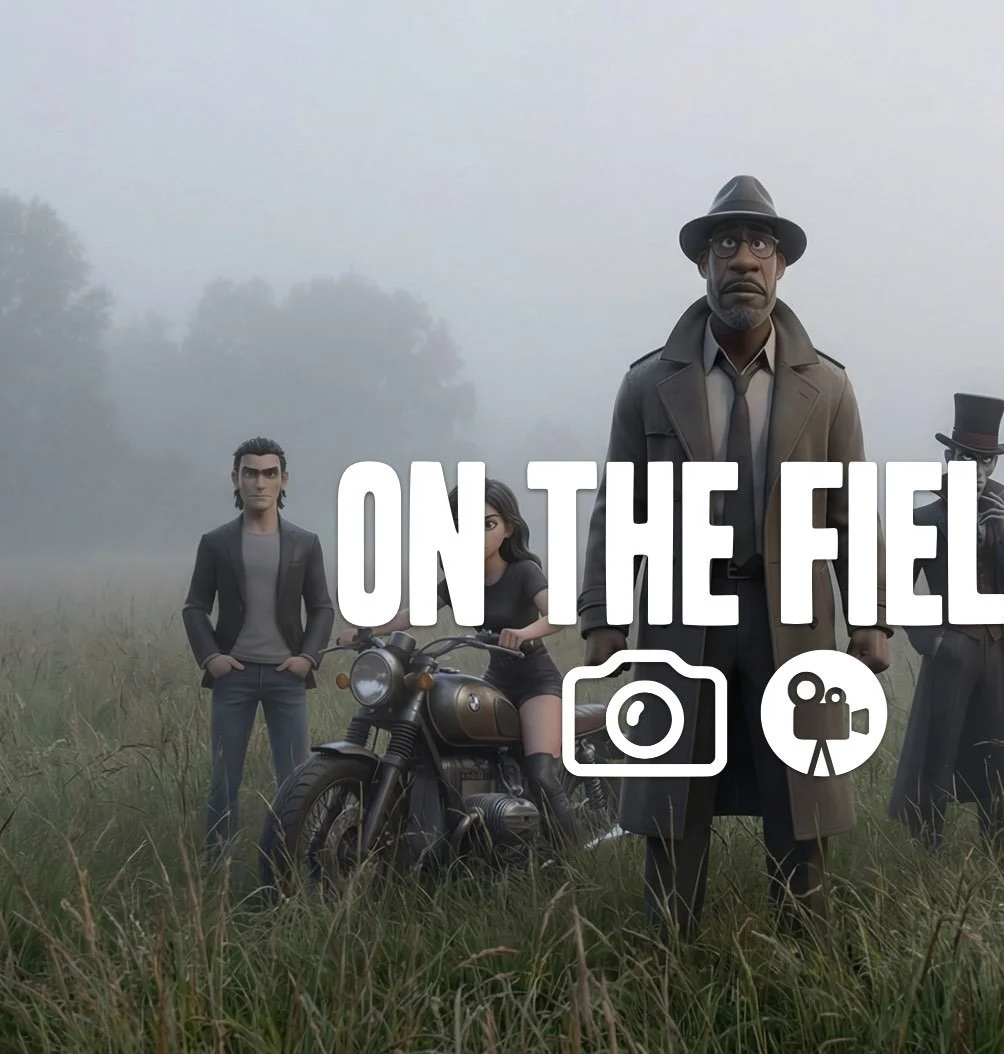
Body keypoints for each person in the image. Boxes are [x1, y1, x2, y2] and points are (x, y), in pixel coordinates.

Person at [577, 175, 891, 941]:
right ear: (702, 266)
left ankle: (804, 950)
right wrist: (604, 617)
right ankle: (666, 953)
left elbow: (851, 512)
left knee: (802, 796)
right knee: (673, 797)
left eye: (758, 244)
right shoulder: (649, 384)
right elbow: (620, 507)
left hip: (795, 619)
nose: (742, 260)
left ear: (780, 266)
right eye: (726, 245)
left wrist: (872, 620)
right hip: (683, 615)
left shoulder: (830, 389)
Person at [339, 478, 579, 848]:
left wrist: (526, 632)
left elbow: (560, 613)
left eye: (488, 523)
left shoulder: (523, 572)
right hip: (495, 677)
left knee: (541, 772)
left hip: (535, 682)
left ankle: (570, 858)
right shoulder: (459, 579)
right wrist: (366, 630)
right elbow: (414, 612)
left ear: (508, 528)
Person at [887, 394, 1004, 850]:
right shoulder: (925, 518)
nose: (980, 470)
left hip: (995, 649)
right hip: (950, 648)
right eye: (970, 459)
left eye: (987, 461)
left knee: (995, 753)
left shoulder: (1001, 517)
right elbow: (897, 589)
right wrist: (932, 643)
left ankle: (997, 848)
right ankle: (927, 848)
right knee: (938, 751)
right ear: (950, 458)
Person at [182, 435, 336, 861]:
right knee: (223, 781)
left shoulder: (305, 542)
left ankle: (294, 866)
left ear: (284, 480)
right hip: (235, 676)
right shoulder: (216, 543)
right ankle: (216, 870)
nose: (259, 483)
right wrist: (212, 658)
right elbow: (195, 607)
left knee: (296, 781)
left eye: (270, 473)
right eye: (250, 473)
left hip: (288, 677)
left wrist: (308, 658)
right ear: (236, 479)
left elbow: (321, 607)